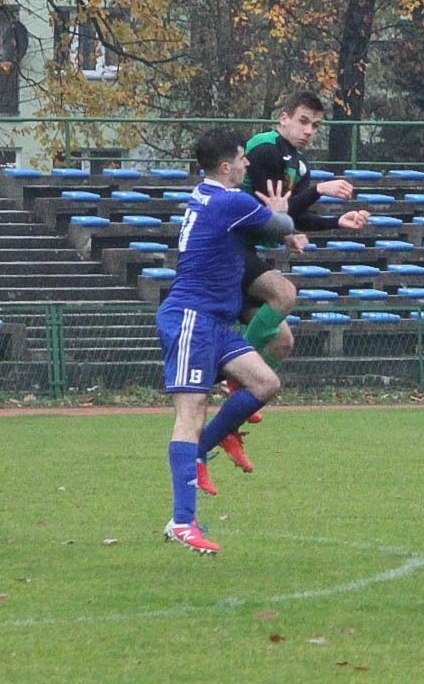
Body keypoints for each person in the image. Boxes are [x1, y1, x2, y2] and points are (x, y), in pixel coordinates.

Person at [209, 91, 370, 478]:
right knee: (284, 293)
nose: (309, 130)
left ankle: (229, 423)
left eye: (315, 125)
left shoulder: (300, 165)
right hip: (229, 248)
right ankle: (233, 372)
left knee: (282, 341)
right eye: (303, 121)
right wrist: (311, 199)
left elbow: (290, 215)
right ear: (283, 118)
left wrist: (336, 223)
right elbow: (271, 211)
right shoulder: (265, 149)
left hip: (247, 252)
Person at [155, 128, 295, 554]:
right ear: (225, 167)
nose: (247, 163)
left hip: (214, 321)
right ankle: (182, 521)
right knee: (190, 411)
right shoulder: (229, 201)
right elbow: (281, 226)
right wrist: (282, 209)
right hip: (192, 320)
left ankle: (201, 450)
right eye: (241, 158)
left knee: (266, 383)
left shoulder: (207, 197)